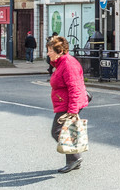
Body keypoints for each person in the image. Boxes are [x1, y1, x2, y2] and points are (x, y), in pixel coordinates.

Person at [47, 35, 89, 173]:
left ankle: (74, 158)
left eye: (50, 50)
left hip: (69, 104)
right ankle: (73, 159)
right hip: (65, 103)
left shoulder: (68, 64)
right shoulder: (61, 63)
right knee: (63, 131)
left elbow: (74, 88)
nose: (48, 53)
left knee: (57, 131)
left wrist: (72, 110)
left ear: (59, 51)